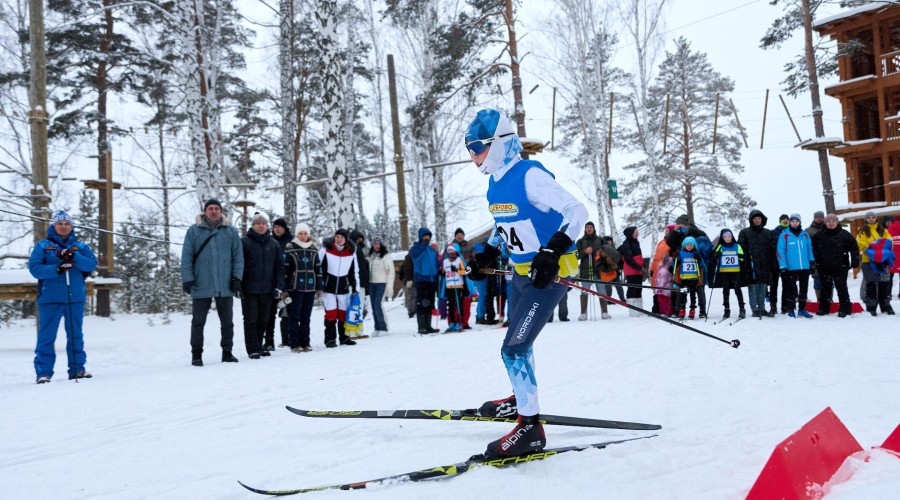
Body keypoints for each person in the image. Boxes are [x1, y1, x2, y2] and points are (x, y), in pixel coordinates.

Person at [464, 108, 587, 458]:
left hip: (549, 276)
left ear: (498, 143)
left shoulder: (530, 175)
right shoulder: (495, 182)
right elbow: (504, 224)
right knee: (521, 345)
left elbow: (577, 211)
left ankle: (530, 429)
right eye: (469, 149)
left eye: (477, 147)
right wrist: (488, 253)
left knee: (513, 349)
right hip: (521, 275)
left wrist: (552, 251)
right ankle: (521, 400)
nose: (473, 155)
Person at [29, 210, 99, 384]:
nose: (63, 226)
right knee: (46, 337)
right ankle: (44, 372)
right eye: (60, 223)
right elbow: (35, 269)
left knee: (75, 335)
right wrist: (57, 269)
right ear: (54, 225)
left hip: (74, 298)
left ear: (71, 226)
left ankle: (77, 369)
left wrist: (74, 256)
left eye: (67, 223)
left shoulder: (80, 247)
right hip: (50, 298)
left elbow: (91, 264)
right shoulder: (43, 246)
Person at [181, 199, 244, 366]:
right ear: (205, 211)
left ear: (221, 211)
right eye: (210, 208)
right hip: (201, 283)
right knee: (198, 322)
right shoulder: (194, 231)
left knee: (227, 322)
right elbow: (186, 257)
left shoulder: (230, 232)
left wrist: (237, 278)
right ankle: (196, 355)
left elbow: (238, 257)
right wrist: (187, 279)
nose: (214, 211)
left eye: (217, 208)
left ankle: (227, 352)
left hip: (225, 284)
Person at [240, 213, 284, 359]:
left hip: (268, 289)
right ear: (253, 225)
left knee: (264, 319)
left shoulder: (274, 244)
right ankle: (252, 349)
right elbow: (239, 265)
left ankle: (259, 346)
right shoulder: (245, 242)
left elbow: (279, 267)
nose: (261, 225)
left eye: (263, 223)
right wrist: (238, 284)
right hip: (249, 289)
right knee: (251, 319)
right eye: (258, 223)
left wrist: (279, 285)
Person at [283, 223, 322, 352]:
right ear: (296, 234)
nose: (303, 236)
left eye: (305, 233)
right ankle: (295, 344)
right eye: (300, 233)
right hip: (295, 288)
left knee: (306, 317)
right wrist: (285, 289)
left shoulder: (313, 250)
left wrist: (319, 287)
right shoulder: (290, 249)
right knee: (294, 317)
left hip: (310, 288)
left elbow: (318, 270)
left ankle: (306, 343)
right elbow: (285, 271)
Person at [811, 214, 859, 317]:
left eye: (833, 221)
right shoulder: (818, 235)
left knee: (841, 287)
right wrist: (816, 262)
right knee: (825, 288)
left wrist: (855, 261)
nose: (831, 223)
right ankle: (824, 308)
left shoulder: (844, 234)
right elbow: (813, 250)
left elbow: (854, 248)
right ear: (825, 223)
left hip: (841, 266)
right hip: (824, 266)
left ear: (837, 222)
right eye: (828, 221)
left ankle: (845, 309)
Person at [318, 228, 359, 346]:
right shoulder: (326, 250)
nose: (339, 239)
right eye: (337, 236)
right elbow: (318, 268)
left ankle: (344, 338)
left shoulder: (351, 253)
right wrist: (319, 286)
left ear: (346, 239)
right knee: (331, 314)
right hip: (328, 288)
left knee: (343, 314)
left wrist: (355, 288)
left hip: (343, 288)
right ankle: (330, 339)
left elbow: (354, 272)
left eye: (342, 237)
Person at [738, 209, 777, 318]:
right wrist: (745, 259)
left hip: (765, 264)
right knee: (753, 287)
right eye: (755, 218)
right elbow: (741, 248)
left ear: (762, 219)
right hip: (750, 264)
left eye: (759, 218)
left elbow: (772, 250)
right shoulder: (744, 232)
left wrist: (773, 264)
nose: (757, 220)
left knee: (762, 287)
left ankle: (762, 308)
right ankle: (755, 309)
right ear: (751, 220)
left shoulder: (768, 233)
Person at [776, 213, 815, 318]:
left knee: (804, 289)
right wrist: (783, 265)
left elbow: (809, 249)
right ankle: (791, 309)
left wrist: (812, 261)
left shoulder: (805, 234)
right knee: (791, 289)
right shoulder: (785, 234)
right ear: (790, 222)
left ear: (800, 222)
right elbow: (780, 251)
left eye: (796, 221)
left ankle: (802, 309)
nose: (794, 223)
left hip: (804, 266)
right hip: (790, 267)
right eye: (792, 221)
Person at [856, 211, 894, 315]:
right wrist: (874, 250)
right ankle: (871, 307)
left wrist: (881, 251)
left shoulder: (883, 230)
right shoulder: (862, 231)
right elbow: (861, 244)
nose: (871, 219)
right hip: (868, 261)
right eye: (869, 217)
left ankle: (886, 306)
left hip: (884, 261)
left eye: (873, 217)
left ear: (876, 218)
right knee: (871, 284)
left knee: (885, 283)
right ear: (866, 219)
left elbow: (889, 241)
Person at [709, 229, 749, 320]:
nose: (727, 238)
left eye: (729, 236)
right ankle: (726, 309)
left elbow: (743, 258)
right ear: (723, 238)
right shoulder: (720, 246)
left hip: (735, 272)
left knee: (737, 290)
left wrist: (740, 257)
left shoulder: (737, 246)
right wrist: (716, 255)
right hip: (724, 273)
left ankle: (742, 309)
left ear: (732, 237)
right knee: (725, 291)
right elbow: (713, 257)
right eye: (725, 237)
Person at [410, 227, 441, 334]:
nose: (427, 238)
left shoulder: (432, 250)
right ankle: (421, 326)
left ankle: (428, 326)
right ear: (420, 236)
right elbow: (415, 257)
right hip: (421, 279)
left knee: (430, 302)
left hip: (432, 279)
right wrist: (422, 245)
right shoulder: (415, 248)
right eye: (425, 236)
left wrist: (438, 273)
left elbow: (436, 263)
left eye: (428, 236)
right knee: (422, 302)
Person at [268, 217, 293, 348]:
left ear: (285, 228)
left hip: (288, 282)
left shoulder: (291, 242)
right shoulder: (270, 241)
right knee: (270, 313)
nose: (277, 229)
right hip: (272, 282)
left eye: (279, 227)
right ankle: (269, 341)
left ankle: (287, 339)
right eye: (275, 227)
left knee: (286, 311)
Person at [440, 243, 471, 332]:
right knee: (451, 306)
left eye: (453, 251)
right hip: (449, 286)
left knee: (459, 305)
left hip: (458, 285)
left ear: (456, 251)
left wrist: (456, 270)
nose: (451, 253)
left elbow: (464, 272)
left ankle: (460, 322)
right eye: (450, 251)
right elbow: (444, 272)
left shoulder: (459, 260)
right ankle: (452, 322)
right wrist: (441, 273)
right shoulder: (445, 261)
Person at [368, 237, 395, 336]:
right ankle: (377, 327)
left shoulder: (386, 256)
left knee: (378, 305)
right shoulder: (371, 256)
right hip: (371, 284)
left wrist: (389, 286)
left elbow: (391, 272)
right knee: (373, 306)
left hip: (381, 283)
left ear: (381, 245)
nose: (377, 245)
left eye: (378, 244)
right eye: (375, 243)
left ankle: (383, 327)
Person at [575, 221, 603, 320]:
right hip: (585, 271)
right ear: (585, 229)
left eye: (591, 227)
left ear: (594, 229)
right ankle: (583, 313)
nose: (589, 229)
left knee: (602, 291)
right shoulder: (580, 241)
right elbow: (576, 255)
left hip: (599, 270)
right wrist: (584, 251)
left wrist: (600, 253)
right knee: (584, 292)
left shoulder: (600, 240)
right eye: (587, 227)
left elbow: (606, 251)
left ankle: (604, 312)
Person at [619, 226, 648, 315]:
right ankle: (632, 310)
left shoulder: (636, 242)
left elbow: (640, 257)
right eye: (636, 232)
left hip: (638, 270)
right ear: (631, 233)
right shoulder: (626, 244)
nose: (638, 233)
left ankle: (639, 309)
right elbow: (629, 260)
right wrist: (641, 269)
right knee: (632, 289)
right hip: (631, 271)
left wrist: (643, 268)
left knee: (639, 289)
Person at [674, 236, 704, 319]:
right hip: (684, 278)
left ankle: (692, 309)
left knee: (692, 294)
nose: (689, 246)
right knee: (683, 294)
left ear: (694, 246)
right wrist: (676, 259)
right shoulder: (681, 253)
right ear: (684, 245)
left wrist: (698, 259)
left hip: (694, 278)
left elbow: (701, 265)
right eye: (687, 245)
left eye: (691, 245)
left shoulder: (696, 253)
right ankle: (682, 308)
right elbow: (676, 264)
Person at [453, 228, 475, 329]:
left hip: (466, 276)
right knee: (456, 299)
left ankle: (465, 321)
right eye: (458, 234)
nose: (459, 236)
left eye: (461, 234)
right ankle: (457, 320)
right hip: (455, 276)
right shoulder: (451, 247)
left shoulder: (469, 246)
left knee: (466, 299)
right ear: (455, 236)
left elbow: (473, 259)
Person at [769, 213, 790, 314]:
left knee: (786, 285)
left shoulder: (790, 232)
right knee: (773, 286)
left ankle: (784, 306)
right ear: (780, 221)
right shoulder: (773, 232)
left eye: (787, 219)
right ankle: (773, 307)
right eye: (783, 219)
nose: (785, 221)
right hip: (774, 262)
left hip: (786, 263)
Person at [349, 229, 370, 323]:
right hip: (355, 282)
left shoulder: (359, 250)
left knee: (358, 306)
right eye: (358, 239)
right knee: (355, 306)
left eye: (361, 239)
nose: (360, 241)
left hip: (361, 282)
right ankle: (354, 326)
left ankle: (357, 326)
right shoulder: (353, 251)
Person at [805, 211, 826, 301]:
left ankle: (829, 299)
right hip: (815, 259)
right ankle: (819, 299)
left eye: (821, 217)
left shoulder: (829, 228)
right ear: (814, 218)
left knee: (828, 280)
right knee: (817, 280)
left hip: (828, 258)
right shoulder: (808, 231)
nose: (819, 219)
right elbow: (806, 245)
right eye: (817, 217)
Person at [398, 251, 417, 318]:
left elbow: (401, 272)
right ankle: (412, 311)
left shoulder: (406, 260)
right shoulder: (412, 259)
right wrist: (410, 279)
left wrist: (402, 278)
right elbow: (407, 270)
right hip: (411, 280)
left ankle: (411, 310)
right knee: (413, 296)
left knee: (410, 296)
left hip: (407, 281)